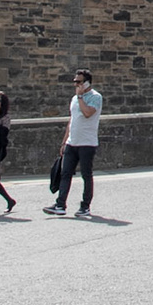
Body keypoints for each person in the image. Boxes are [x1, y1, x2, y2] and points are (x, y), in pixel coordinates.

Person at [45, 69, 101, 216]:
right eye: (75, 81)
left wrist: (81, 97)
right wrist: (64, 142)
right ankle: (60, 204)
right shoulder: (74, 98)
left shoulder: (95, 97)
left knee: (86, 175)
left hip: (87, 143)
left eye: (79, 81)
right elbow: (72, 120)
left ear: (87, 82)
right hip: (72, 142)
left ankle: (85, 206)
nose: (76, 84)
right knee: (65, 174)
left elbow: (88, 113)